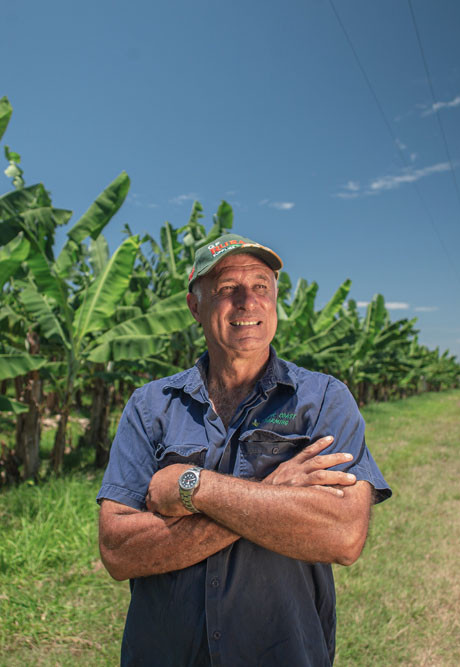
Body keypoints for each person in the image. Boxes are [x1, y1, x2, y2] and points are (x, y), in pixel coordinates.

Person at [97, 233, 392, 666]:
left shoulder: (324, 399)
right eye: (226, 289)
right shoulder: (151, 406)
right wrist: (276, 491)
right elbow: (119, 551)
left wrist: (192, 487)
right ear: (195, 306)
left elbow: (342, 535)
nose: (247, 302)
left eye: (261, 287)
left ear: (274, 301)